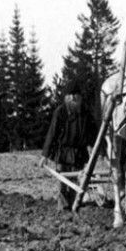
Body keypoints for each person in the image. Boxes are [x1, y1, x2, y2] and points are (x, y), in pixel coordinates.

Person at [39, 82, 97, 210]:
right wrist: (45, 155)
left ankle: (74, 205)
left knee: (76, 181)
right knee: (63, 181)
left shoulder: (86, 113)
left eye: (75, 95)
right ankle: (63, 207)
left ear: (80, 97)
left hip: (79, 152)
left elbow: (93, 133)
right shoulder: (60, 112)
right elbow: (52, 133)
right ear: (66, 97)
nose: (73, 98)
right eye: (70, 95)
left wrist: (97, 150)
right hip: (63, 152)